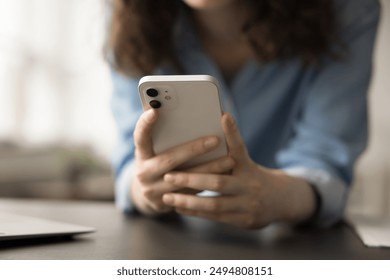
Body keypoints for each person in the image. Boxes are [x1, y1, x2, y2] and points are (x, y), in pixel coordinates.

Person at [107, 0, 380, 228]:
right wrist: (144, 189)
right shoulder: (128, 10)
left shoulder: (347, 10)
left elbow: (326, 160)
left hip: (289, 245)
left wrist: (280, 196)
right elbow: (130, 161)